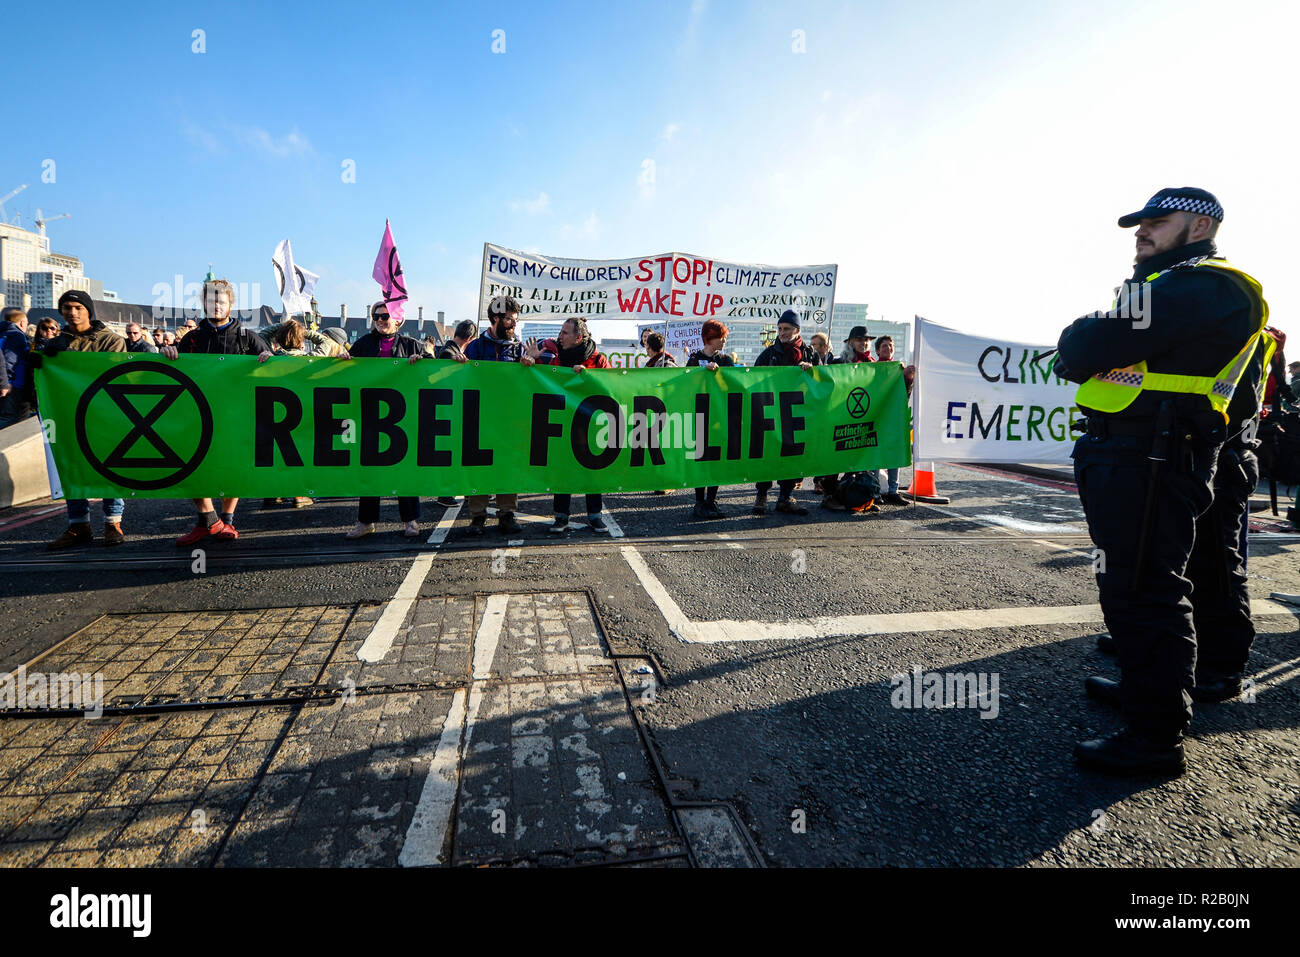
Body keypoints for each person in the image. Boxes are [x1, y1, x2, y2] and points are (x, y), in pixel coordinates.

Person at [1055, 187, 1270, 777]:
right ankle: (1149, 695)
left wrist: (1084, 333)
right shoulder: (1172, 285)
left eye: (1157, 221)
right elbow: (1101, 341)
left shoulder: (1211, 283)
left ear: (1198, 227)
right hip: (1137, 450)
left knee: (1145, 587)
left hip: (1155, 454)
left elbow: (1086, 344)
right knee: (1137, 582)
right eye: (1138, 223)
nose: (1141, 232)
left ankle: (1154, 738)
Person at [163, 278, 272, 546]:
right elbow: (172, 369)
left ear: (230, 305)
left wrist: (269, 357)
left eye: (220, 301)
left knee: (232, 467)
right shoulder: (191, 339)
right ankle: (209, 520)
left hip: (236, 416)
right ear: (203, 304)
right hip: (196, 416)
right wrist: (166, 352)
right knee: (192, 466)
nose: (215, 305)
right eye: (210, 301)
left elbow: (275, 367)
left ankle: (227, 520)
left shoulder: (248, 338)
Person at [31, 292, 129, 548]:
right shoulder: (56, 344)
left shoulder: (112, 341)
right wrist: (38, 364)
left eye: (77, 307)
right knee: (71, 465)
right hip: (68, 416)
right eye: (66, 307)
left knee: (109, 466)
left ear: (88, 310)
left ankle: (113, 522)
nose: (72, 312)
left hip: (106, 417)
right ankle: (79, 524)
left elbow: (116, 377)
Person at [526, 317, 615, 533]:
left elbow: (612, 386)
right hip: (561, 423)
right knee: (562, 469)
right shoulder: (554, 356)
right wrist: (532, 361)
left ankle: (595, 515)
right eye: (561, 331)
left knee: (592, 470)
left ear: (579, 338)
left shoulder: (598, 359)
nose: (560, 336)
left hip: (590, 425)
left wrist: (589, 376)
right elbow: (539, 383)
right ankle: (561, 516)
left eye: (565, 333)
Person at [346, 302, 425, 539]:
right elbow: (345, 369)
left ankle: (410, 521)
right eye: (376, 316)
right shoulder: (362, 344)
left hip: (402, 417)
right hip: (370, 414)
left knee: (404, 468)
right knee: (370, 469)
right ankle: (365, 522)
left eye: (385, 315)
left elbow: (436, 363)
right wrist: (342, 359)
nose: (380, 319)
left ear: (398, 319)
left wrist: (422, 359)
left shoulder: (412, 344)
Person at [462, 296, 533, 535]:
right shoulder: (475, 347)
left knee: (507, 464)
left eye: (515, 319)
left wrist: (529, 366)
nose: (514, 324)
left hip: (508, 419)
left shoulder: (519, 348)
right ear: (495, 319)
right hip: (480, 417)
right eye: (510, 320)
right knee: (479, 465)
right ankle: (477, 516)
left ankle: (507, 513)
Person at [753, 310, 818, 516]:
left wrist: (813, 370)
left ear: (797, 330)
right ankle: (761, 495)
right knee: (768, 455)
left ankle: (785, 497)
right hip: (772, 412)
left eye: (786, 329)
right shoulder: (768, 354)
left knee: (792, 454)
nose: (781, 332)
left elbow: (823, 379)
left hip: (797, 414)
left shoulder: (809, 354)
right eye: (780, 329)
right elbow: (754, 380)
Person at [687, 320, 733, 518]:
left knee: (715, 458)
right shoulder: (694, 359)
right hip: (698, 414)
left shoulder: (725, 360)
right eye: (720, 337)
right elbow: (686, 382)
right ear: (709, 338)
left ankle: (711, 500)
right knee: (700, 458)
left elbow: (732, 384)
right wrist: (701, 373)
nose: (724, 341)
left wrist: (718, 374)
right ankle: (699, 502)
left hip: (718, 416)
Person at [872, 335, 915, 505]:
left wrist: (908, 377)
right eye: (884, 346)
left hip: (894, 417)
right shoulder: (873, 368)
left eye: (890, 345)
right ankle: (874, 490)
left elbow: (905, 393)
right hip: (877, 417)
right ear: (877, 350)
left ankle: (893, 491)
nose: (888, 348)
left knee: (894, 454)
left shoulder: (899, 368)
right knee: (876, 454)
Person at [1, 307, 33, 428]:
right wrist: (7, 382)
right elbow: (10, 359)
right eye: (26, 322)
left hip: (6, 382)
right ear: (21, 322)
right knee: (10, 418)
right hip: (13, 385)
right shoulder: (17, 335)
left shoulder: (3, 333)